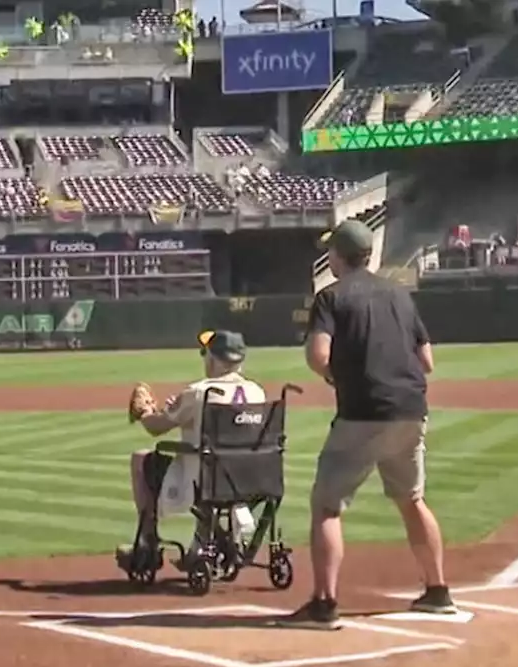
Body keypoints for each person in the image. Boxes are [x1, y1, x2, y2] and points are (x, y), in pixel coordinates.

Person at [286, 219, 453, 631]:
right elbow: (427, 362)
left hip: (362, 412)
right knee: (412, 499)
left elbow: (317, 356)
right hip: (411, 410)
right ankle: (438, 592)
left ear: (338, 256)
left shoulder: (330, 297)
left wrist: (337, 378)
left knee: (326, 505)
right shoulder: (399, 294)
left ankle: (324, 603)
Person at [127, 330, 266, 566]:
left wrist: (145, 412)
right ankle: (202, 545)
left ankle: (147, 542)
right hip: (248, 479)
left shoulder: (199, 391)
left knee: (141, 460)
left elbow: (156, 428)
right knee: (211, 465)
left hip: (204, 479)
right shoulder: (257, 392)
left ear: (213, 359)